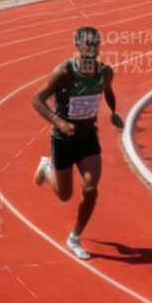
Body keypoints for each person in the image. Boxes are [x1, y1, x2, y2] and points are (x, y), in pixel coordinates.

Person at [30, 26, 123, 261]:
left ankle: (74, 237)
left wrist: (113, 112)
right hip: (63, 141)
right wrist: (58, 122)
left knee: (91, 189)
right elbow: (37, 99)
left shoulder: (104, 72)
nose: (91, 49)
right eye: (87, 44)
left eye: (95, 44)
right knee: (64, 195)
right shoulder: (65, 72)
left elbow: (108, 92)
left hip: (87, 138)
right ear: (78, 46)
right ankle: (46, 167)